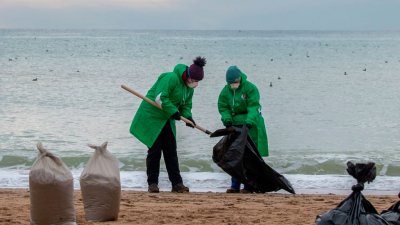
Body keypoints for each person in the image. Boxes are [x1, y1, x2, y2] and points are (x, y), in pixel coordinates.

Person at [130, 56, 206, 193]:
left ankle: (177, 184)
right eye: (194, 80)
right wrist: (174, 112)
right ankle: (152, 183)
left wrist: (188, 117)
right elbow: (160, 98)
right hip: (153, 117)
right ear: (187, 75)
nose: (195, 83)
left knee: (171, 151)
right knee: (155, 151)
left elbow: (186, 105)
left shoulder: (189, 89)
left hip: (167, 118)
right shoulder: (171, 78)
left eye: (197, 81)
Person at [217, 65, 269, 193]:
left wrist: (249, 122)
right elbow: (223, 107)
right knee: (235, 156)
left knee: (249, 157)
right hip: (235, 126)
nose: (234, 84)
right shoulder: (225, 91)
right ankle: (235, 186)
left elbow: (253, 107)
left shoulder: (250, 88)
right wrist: (227, 120)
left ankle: (249, 186)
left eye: (235, 82)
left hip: (250, 125)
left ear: (240, 78)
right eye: (231, 83)